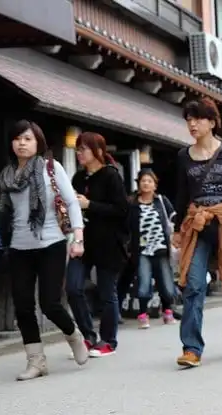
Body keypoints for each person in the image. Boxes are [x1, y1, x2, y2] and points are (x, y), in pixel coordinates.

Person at [0, 120, 87, 380]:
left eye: (27, 138)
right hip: (19, 246)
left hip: (51, 243)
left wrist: (78, 237)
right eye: (17, 139)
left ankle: (74, 335)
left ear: (38, 142)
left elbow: (71, 202)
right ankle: (36, 361)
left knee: (49, 304)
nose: (22, 143)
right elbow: (6, 215)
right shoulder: (7, 175)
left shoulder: (51, 168)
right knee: (23, 306)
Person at [173, 97, 222, 367]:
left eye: (197, 119)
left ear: (211, 122)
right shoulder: (183, 156)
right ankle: (191, 348)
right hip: (197, 223)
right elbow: (181, 195)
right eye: (188, 120)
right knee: (193, 284)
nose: (192, 124)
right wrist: (178, 229)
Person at [66, 132, 129, 357]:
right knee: (73, 287)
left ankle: (108, 341)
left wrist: (90, 205)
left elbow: (122, 210)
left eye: (83, 149)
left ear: (98, 151)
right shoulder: (78, 178)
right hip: (82, 241)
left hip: (108, 242)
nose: (79, 153)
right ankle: (88, 336)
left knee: (106, 293)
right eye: (77, 149)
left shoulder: (111, 175)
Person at [128, 169, 178, 329]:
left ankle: (167, 311)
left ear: (155, 185)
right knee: (143, 282)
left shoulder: (161, 201)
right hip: (142, 250)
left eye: (149, 181)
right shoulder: (132, 204)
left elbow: (174, 217)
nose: (146, 183)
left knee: (166, 283)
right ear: (139, 184)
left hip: (161, 248)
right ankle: (143, 314)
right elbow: (127, 226)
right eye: (143, 181)